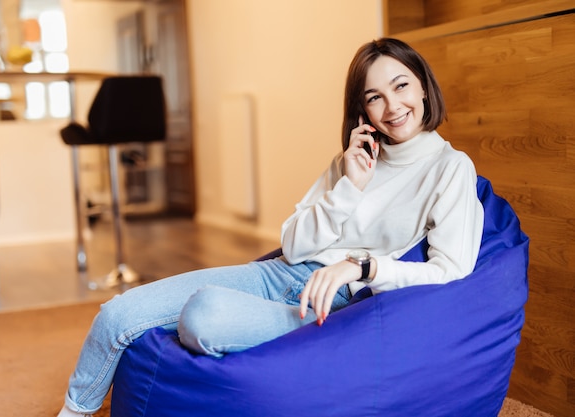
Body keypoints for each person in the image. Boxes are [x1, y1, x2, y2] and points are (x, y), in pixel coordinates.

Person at [57, 37, 484, 417]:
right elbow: (293, 245)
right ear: (362, 110)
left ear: (424, 86)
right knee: (116, 314)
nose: (392, 106)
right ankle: (76, 411)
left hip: (329, 302)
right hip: (275, 273)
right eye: (375, 97)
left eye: (401, 85)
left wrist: (362, 267)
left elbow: (451, 270)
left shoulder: (450, 168)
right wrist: (350, 188)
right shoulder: (351, 161)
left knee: (203, 315)